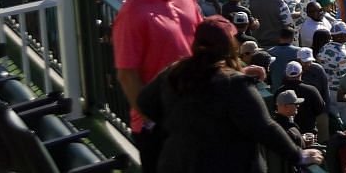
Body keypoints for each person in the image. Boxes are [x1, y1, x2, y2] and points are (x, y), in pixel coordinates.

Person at [137, 15, 321, 173]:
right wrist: (298, 155)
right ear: (228, 46)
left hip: (177, 164)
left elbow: (144, 103)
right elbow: (264, 127)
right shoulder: (234, 84)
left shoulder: (175, 72)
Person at [113, 0, 202, 134]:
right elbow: (127, 75)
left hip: (193, 110)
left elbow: (198, 39)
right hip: (160, 124)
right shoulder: (132, 13)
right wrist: (154, 119)